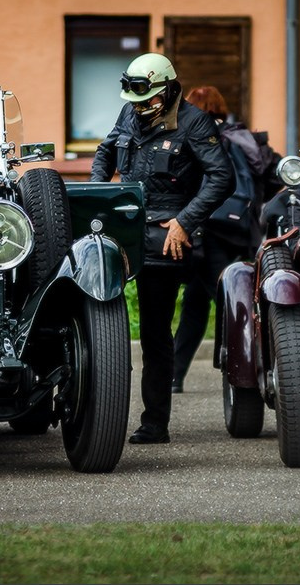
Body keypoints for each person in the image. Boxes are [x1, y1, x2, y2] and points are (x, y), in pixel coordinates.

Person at [90, 53, 233, 445]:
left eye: (149, 99)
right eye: (135, 99)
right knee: (99, 322)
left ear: (169, 88)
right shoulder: (128, 112)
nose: (141, 106)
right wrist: (100, 193)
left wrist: (186, 221)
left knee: (154, 332)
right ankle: (95, 416)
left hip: (165, 237)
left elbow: (222, 178)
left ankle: (154, 423)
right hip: (120, 228)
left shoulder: (194, 121)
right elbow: (105, 152)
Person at [171, 86, 266, 394]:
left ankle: (246, 369)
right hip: (237, 231)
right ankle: (175, 375)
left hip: (206, 229)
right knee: (196, 304)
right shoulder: (241, 136)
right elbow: (269, 173)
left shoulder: (199, 136)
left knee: (228, 302)